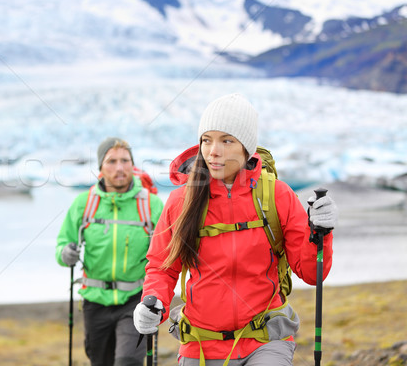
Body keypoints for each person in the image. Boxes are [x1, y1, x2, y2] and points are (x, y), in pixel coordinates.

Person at [133, 93, 338, 366]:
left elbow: (313, 274)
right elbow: (161, 266)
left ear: (246, 147)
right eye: (206, 140)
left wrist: (320, 232)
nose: (213, 151)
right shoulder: (181, 200)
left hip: (266, 341)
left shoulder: (277, 195)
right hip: (200, 344)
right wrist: (154, 302)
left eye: (226, 140)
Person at [56, 137, 164, 366]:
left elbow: (166, 252)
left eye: (125, 160)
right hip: (95, 302)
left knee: (128, 361)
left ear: (132, 165)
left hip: (135, 299)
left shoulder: (151, 205)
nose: (119, 167)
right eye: (112, 161)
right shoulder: (83, 203)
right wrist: (67, 253)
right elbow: (62, 244)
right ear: (100, 168)